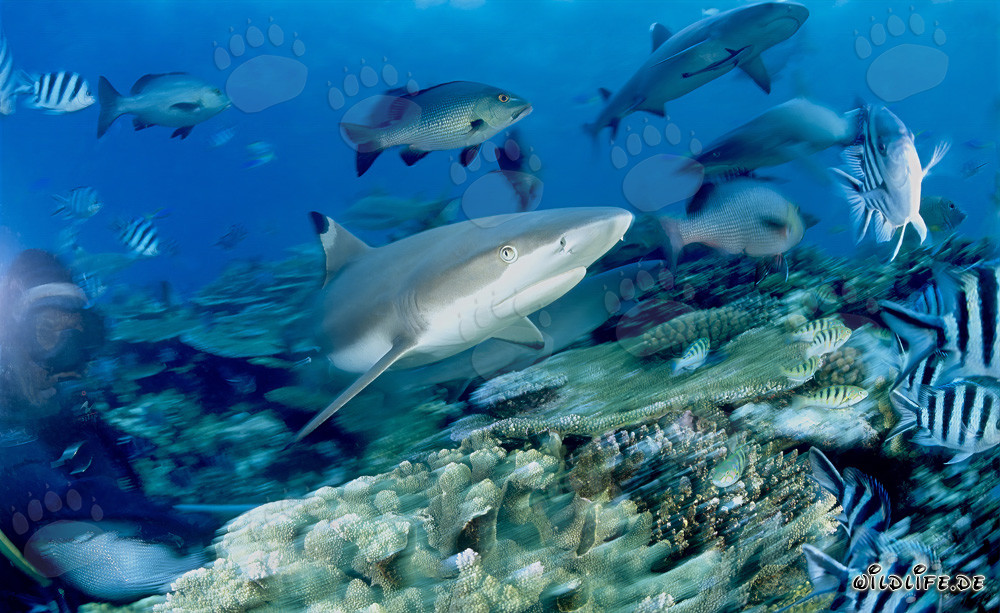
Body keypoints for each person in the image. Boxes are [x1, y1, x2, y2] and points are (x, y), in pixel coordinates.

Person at [0, 250, 210, 611]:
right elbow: (62, 519)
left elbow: (115, 497)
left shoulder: (73, 420)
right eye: (47, 333)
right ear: (9, 342)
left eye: (81, 335)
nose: (70, 357)